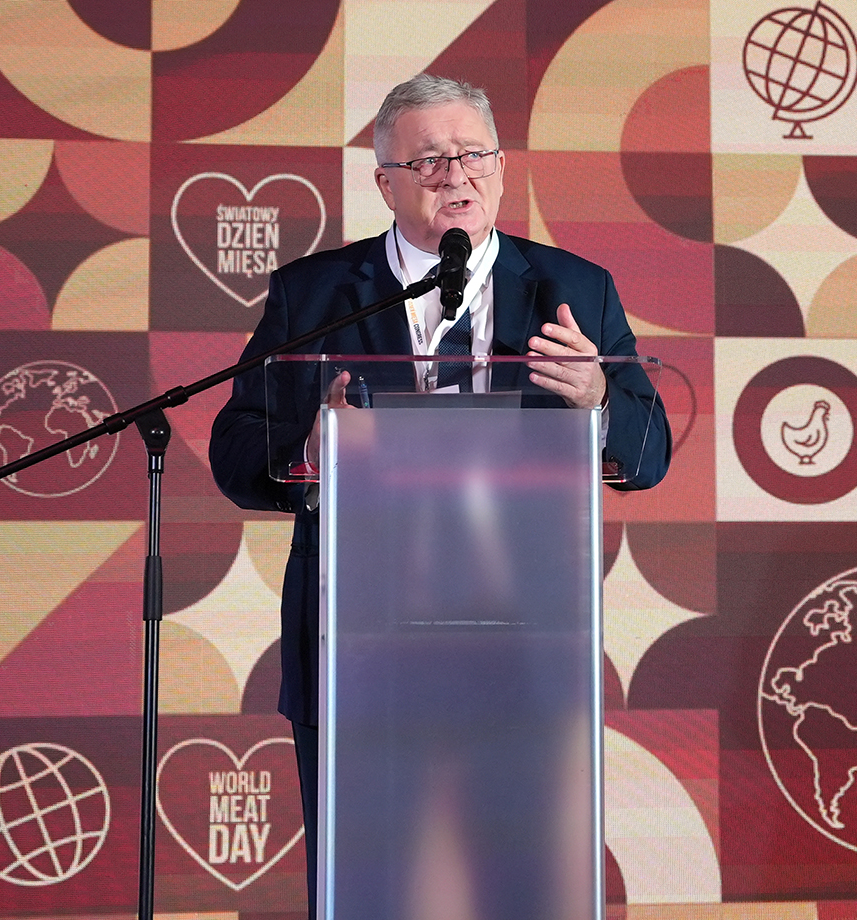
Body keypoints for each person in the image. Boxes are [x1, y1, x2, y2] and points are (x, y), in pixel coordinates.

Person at [209, 73, 670, 919]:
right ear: (385, 183)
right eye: (428, 161)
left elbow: (649, 454)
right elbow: (235, 451)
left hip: (529, 647)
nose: (456, 175)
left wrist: (597, 399)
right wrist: (314, 448)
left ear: (501, 168)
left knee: (521, 893)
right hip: (357, 644)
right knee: (367, 892)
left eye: (473, 155)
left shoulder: (575, 288)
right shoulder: (313, 295)